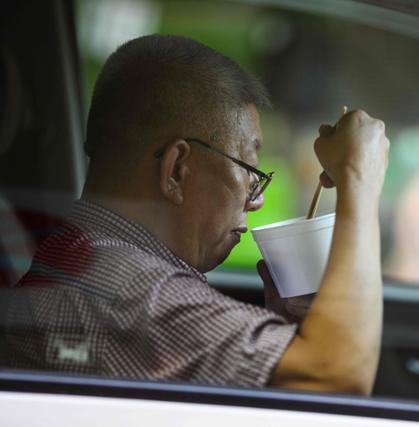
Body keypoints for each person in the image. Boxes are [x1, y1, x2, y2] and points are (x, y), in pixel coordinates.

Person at [1, 35, 389, 394]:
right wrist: (359, 177)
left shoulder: (75, 258)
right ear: (177, 170)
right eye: (250, 173)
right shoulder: (139, 296)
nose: (256, 202)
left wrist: (281, 335)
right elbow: (338, 375)